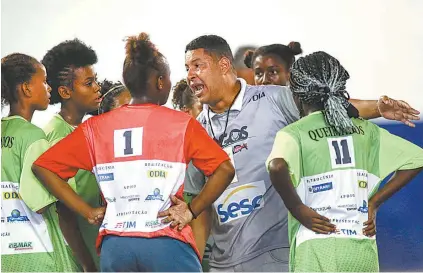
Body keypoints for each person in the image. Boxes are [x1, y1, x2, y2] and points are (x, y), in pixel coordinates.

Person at [183, 34, 421, 272]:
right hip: (223, 263)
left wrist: (378, 107)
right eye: (187, 68)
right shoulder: (194, 130)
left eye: (197, 66)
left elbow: (328, 104)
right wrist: (194, 265)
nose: (190, 75)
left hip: (277, 255)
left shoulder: (273, 99)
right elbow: (199, 205)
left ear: (224, 65)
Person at [32, 32, 235, 272]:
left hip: (115, 246)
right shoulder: (181, 124)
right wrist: (191, 210)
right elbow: (224, 169)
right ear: (161, 82)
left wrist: (87, 212)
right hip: (166, 243)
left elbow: (43, 167)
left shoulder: (94, 128)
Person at [266, 51, 423, 272]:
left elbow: (277, 165)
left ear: (296, 95)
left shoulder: (294, 133)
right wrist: (374, 202)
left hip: (315, 248)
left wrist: (297, 208)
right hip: (360, 246)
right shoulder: (365, 130)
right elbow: (417, 158)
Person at [1, 53, 78, 272]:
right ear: (26, 88)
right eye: (44, 81)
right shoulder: (33, 136)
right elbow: (40, 200)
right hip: (37, 251)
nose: (49, 88)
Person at [41, 38, 103, 271]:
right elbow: (64, 215)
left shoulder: (91, 129)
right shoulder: (55, 136)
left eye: (95, 80)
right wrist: (88, 266)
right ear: (66, 91)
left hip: (98, 247)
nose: (97, 87)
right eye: (89, 83)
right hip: (77, 257)